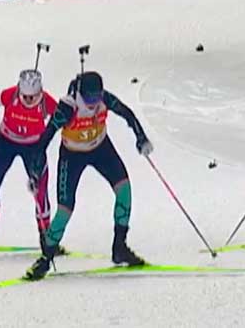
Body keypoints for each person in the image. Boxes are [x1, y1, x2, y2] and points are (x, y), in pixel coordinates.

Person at [23, 72, 153, 280]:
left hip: (101, 148)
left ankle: (119, 247)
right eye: (89, 98)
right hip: (72, 156)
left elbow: (127, 113)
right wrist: (35, 172)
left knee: (124, 190)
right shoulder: (68, 107)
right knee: (65, 209)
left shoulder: (104, 99)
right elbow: (44, 139)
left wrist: (141, 138)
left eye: (97, 97)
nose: (93, 103)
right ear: (80, 93)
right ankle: (45, 259)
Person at [0, 70, 60, 250]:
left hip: (34, 148)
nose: (29, 101)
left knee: (40, 192)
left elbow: (65, 119)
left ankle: (46, 237)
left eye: (33, 97)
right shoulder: (10, 95)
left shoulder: (47, 102)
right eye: (25, 97)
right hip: (5, 142)